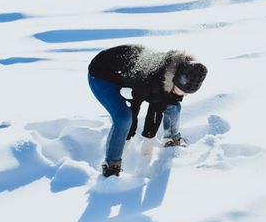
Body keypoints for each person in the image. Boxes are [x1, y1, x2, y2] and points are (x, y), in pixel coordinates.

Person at [88, 44, 207, 177]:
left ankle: (171, 142)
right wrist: (127, 139)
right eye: (184, 91)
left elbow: (158, 104)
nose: (185, 95)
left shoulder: (180, 72)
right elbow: (135, 105)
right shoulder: (148, 78)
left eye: (189, 93)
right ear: (175, 79)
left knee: (173, 106)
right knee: (123, 117)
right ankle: (111, 166)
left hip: (128, 73)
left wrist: (149, 137)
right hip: (101, 74)